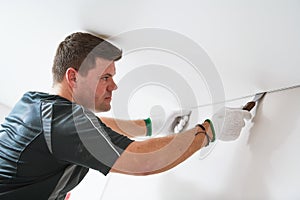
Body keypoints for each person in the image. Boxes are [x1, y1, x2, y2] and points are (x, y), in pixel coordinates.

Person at [0, 32, 251, 199]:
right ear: (73, 77)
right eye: (105, 77)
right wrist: (208, 131)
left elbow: (96, 129)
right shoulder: (65, 122)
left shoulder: (34, 104)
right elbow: (144, 162)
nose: (114, 86)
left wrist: (151, 126)